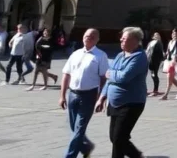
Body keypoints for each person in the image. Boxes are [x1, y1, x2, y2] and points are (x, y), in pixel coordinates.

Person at [96, 27, 148, 158]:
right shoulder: (120, 55)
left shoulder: (139, 57)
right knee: (115, 138)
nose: (121, 40)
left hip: (131, 103)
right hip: (115, 103)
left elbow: (124, 77)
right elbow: (110, 80)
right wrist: (102, 97)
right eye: (122, 38)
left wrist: (110, 73)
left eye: (124, 38)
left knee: (119, 138)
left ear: (135, 41)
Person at [59, 28, 109, 158]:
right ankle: (86, 147)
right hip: (73, 94)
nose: (89, 38)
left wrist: (100, 98)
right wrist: (62, 96)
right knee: (73, 127)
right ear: (83, 37)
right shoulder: (75, 54)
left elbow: (103, 78)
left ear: (97, 39)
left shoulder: (100, 55)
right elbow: (66, 74)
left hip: (89, 96)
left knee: (79, 129)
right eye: (87, 35)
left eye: (92, 36)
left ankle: (70, 156)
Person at [161, 29, 177, 100]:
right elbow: (168, 51)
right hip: (169, 61)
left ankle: (166, 95)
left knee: (169, 78)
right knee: (171, 78)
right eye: (173, 33)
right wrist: (165, 53)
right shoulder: (170, 42)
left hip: (175, 62)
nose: (174, 35)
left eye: (175, 34)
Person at [145, 32, 164, 97]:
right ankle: (146, 90)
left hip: (155, 62)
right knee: (149, 75)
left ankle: (155, 90)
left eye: (158, 35)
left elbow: (161, 54)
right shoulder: (151, 43)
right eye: (155, 35)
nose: (156, 35)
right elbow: (147, 51)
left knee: (154, 75)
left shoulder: (159, 43)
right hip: (149, 60)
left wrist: (161, 61)